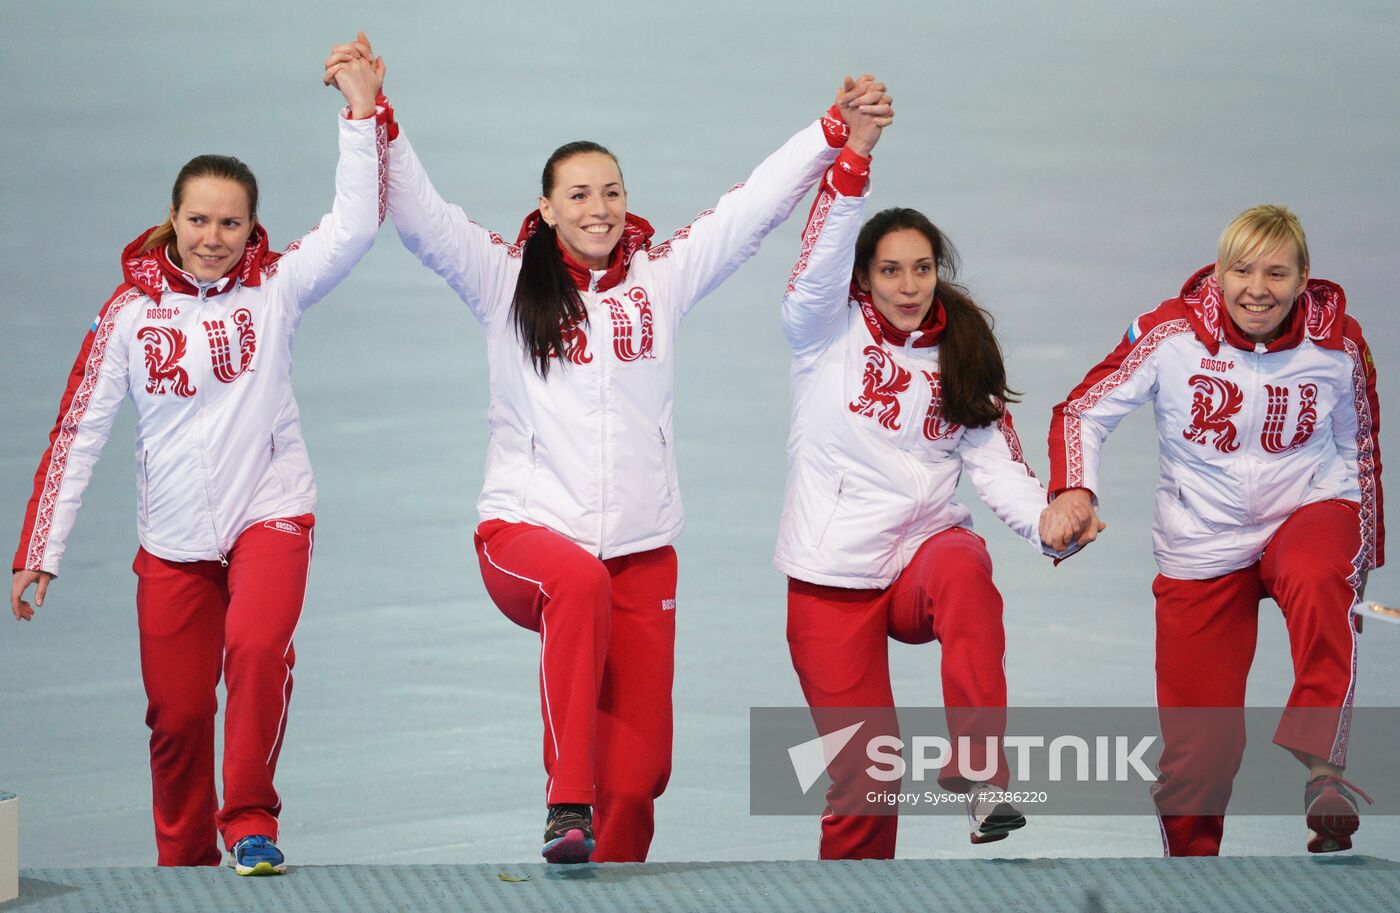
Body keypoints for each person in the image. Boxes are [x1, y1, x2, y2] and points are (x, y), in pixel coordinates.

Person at [324, 33, 889, 864]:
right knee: (576, 589)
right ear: (546, 208)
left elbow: (750, 209)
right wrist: (371, 115)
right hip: (525, 537)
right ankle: (563, 802)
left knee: (639, 777)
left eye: (612, 192)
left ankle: (605, 868)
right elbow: (421, 217)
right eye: (579, 194)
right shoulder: (505, 279)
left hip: (641, 554)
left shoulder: (660, 279)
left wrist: (831, 133)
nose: (599, 208)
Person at [9, 49, 389, 875]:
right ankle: (183, 867)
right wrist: (41, 549)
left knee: (255, 649)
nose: (214, 238)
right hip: (173, 539)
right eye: (199, 220)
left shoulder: (277, 286)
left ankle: (251, 819)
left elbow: (357, 223)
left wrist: (361, 115)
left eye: (231, 223)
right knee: (177, 715)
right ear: (172, 220)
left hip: (271, 508)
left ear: (254, 229)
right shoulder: (128, 317)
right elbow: (78, 433)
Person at [773, 99, 1097, 859]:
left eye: (922, 268)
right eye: (890, 269)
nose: (910, 284)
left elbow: (996, 465)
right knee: (866, 784)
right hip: (832, 575)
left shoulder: (963, 349)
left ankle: (983, 777)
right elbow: (819, 253)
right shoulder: (822, 329)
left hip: (919, 553)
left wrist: (1050, 523)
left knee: (967, 566)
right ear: (862, 278)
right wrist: (853, 157)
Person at [1043, 204, 1383, 856]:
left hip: (1307, 509)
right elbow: (1082, 408)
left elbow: (1361, 449)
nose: (1259, 288)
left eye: (1278, 273)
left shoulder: (1338, 345)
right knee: (1199, 753)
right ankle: (1190, 875)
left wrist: (1358, 562)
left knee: (1319, 569)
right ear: (1219, 274)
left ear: (1304, 276)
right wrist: (1076, 491)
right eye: (1243, 269)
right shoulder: (1169, 334)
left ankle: (1323, 776)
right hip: (1201, 539)